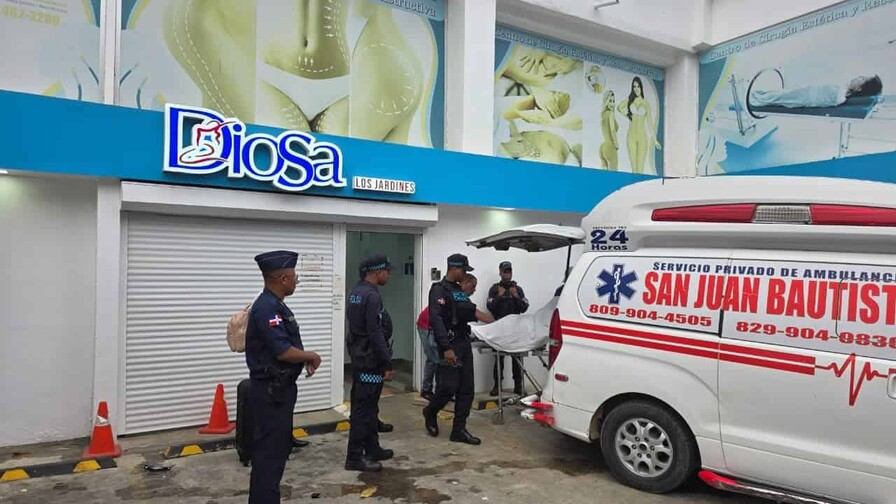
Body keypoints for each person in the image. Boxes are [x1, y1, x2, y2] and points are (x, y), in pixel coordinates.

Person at [246, 250, 322, 504]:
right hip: (270, 392)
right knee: (269, 454)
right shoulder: (267, 308)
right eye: (294, 275)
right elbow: (282, 351)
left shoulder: (275, 305)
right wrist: (311, 356)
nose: (296, 279)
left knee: (276, 452)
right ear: (282, 278)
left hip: (279, 391)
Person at [422, 253, 481, 445]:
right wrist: (446, 348)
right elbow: (436, 320)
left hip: (464, 342)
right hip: (449, 344)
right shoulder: (438, 290)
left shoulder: (458, 290)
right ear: (454, 268)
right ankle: (430, 411)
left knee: (467, 388)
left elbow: (469, 311)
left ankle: (459, 430)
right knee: (448, 387)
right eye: (463, 270)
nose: (464, 274)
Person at [345, 254, 395, 472]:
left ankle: (372, 448)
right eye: (387, 271)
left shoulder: (357, 292)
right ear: (377, 272)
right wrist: (386, 363)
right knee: (364, 409)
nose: (389, 275)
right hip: (370, 359)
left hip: (360, 356)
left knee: (368, 405)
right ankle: (355, 457)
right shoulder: (372, 296)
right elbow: (375, 332)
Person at [417, 273, 493, 402]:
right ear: (466, 283)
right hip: (426, 325)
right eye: (473, 286)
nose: (474, 290)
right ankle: (428, 391)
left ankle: (440, 392)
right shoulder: (452, 293)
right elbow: (477, 314)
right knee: (435, 359)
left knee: (438, 360)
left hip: (439, 327)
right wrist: (497, 323)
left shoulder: (462, 297)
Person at [487, 261, 529, 396]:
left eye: (509, 271)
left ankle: (518, 386)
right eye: (505, 271)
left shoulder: (518, 289)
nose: (507, 274)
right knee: (498, 359)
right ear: (500, 272)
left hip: (515, 329)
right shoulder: (494, 289)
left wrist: (516, 296)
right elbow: (490, 307)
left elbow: (524, 308)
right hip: (499, 328)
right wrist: (499, 296)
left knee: (517, 358)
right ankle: (497, 386)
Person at [750, 74, 882, 109]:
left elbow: (814, 95)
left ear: (859, 88)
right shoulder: (842, 90)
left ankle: (752, 99)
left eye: (862, 79)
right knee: (778, 96)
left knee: (775, 98)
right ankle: (758, 96)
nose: (859, 76)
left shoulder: (839, 92)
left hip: (801, 97)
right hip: (802, 93)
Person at [617, 76, 661, 175]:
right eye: (634, 87)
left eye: (638, 86)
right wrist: (627, 115)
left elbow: (650, 124)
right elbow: (619, 107)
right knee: (634, 168)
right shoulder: (630, 100)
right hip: (631, 137)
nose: (636, 89)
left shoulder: (646, 104)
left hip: (642, 138)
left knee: (640, 169)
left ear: (641, 87)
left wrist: (655, 140)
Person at [600, 90, 620, 170]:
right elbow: (612, 130)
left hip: (602, 148)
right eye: (610, 101)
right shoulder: (611, 114)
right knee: (614, 174)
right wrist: (616, 144)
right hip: (611, 147)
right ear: (606, 101)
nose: (612, 104)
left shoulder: (603, 115)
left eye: (613, 101)